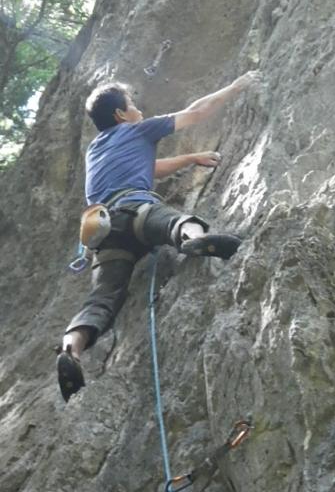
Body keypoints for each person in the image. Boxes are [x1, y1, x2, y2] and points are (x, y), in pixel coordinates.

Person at [56, 71, 260, 402]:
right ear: (121, 114)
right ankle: (193, 239)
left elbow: (149, 167)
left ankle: (71, 349)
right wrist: (236, 86)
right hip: (137, 210)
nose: (138, 109)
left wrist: (191, 158)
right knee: (175, 221)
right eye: (132, 105)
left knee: (102, 298)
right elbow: (196, 112)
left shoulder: (95, 150)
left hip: (104, 233)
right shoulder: (137, 129)